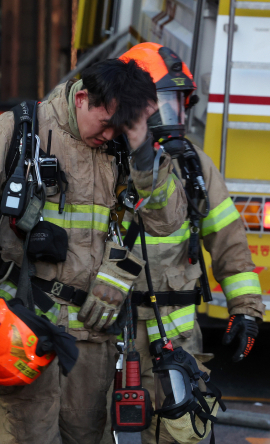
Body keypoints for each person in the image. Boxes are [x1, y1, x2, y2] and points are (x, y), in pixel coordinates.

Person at [0, 58, 189, 444]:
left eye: (120, 128)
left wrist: (140, 149)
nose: (109, 135)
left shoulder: (126, 148)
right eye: (105, 124)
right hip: (21, 327)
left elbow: (165, 223)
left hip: (93, 333)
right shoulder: (19, 130)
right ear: (82, 97)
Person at [114, 42, 265, 444]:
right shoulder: (100, 159)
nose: (171, 116)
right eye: (160, 104)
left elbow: (229, 241)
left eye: (178, 103)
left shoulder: (194, 165)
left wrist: (246, 309)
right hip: (104, 329)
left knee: (182, 435)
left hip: (174, 337)